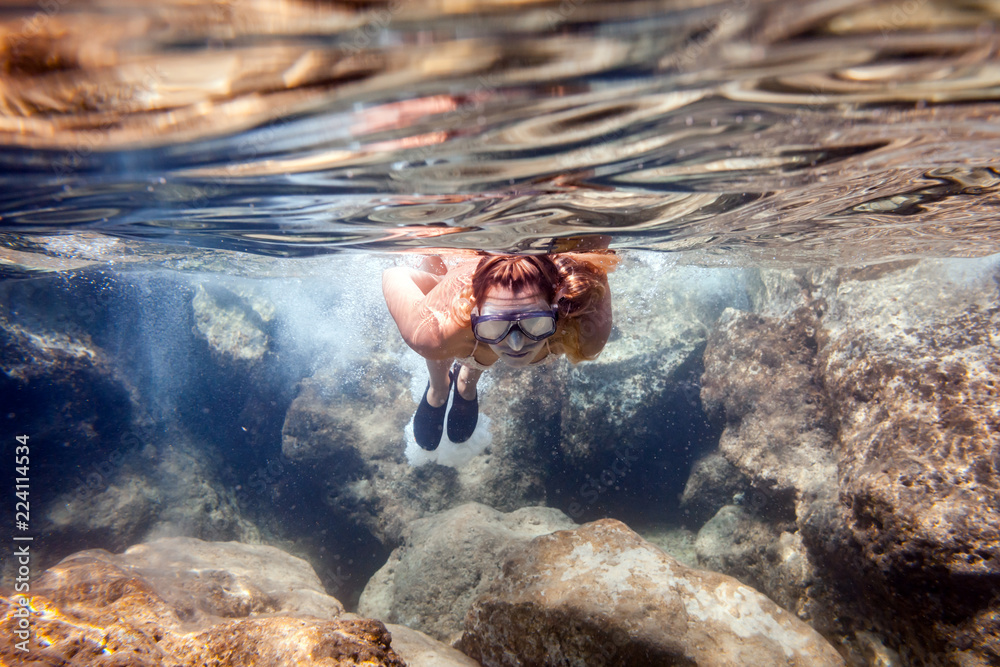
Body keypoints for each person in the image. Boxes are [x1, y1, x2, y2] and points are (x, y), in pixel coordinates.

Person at [382, 251, 618, 450]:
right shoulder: (432, 333)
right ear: (473, 312)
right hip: (458, 303)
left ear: (557, 309)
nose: (516, 345)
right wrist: (438, 284)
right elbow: (394, 274)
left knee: (476, 341)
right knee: (440, 341)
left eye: (535, 323)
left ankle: (466, 382)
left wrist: (495, 328)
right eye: (494, 324)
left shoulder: (585, 326)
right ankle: (439, 386)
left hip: (478, 325)